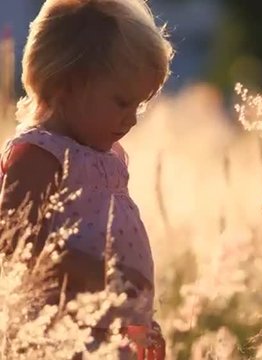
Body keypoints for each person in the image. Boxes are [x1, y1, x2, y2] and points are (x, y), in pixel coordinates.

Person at [0, 0, 173, 357]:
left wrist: (139, 323)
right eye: (122, 102)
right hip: (61, 339)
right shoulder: (40, 155)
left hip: (113, 337)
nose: (133, 119)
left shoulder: (109, 159)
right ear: (67, 85)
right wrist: (104, 276)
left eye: (139, 105)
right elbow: (15, 246)